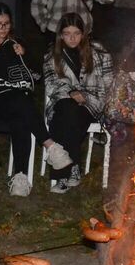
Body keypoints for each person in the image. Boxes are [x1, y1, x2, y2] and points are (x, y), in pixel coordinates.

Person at [0, 3, 72, 197]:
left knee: (21, 114)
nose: (3, 28)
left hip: (16, 107)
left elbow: (36, 78)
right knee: (21, 103)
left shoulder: (17, 43)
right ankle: (50, 145)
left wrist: (25, 56)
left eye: (6, 24)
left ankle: (21, 177)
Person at [42, 12, 112, 192]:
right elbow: (52, 84)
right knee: (67, 110)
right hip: (64, 101)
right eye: (67, 34)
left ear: (83, 34)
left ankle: (63, 174)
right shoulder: (52, 56)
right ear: (61, 35)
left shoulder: (99, 53)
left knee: (66, 115)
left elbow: (108, 84)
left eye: (76, 33)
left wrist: (85, 96)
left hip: (92, 104)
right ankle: (72, 169)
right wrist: (71, 92)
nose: (72, 38)